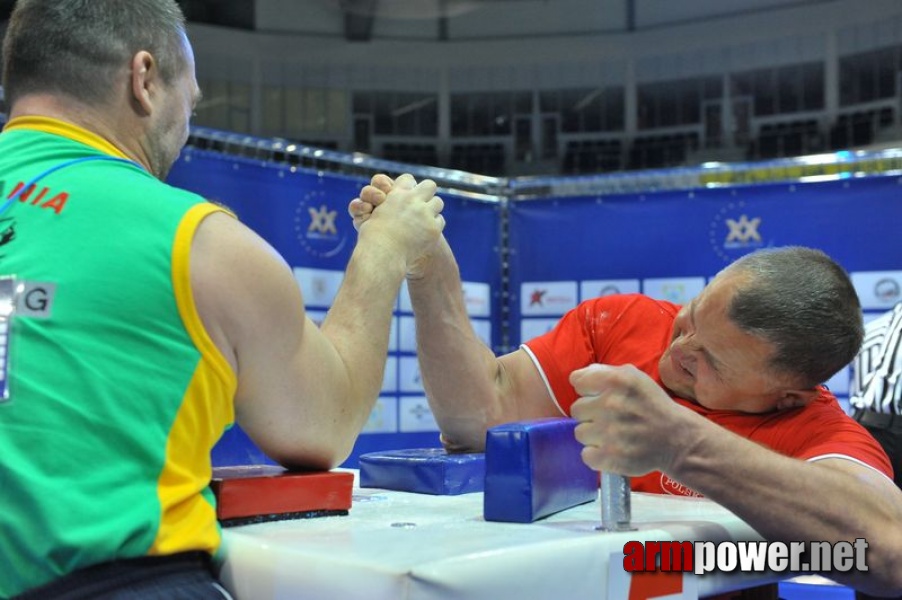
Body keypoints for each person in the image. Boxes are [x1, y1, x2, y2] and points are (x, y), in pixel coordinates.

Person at [0, 1, 444, 598]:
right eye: (192, 98)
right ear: (145, 79)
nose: (187, 122)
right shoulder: (198, 241)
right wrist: (385, 249)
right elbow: (324, 425)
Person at [350, 174, 902, 597]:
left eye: (710, 360)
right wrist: (430, 269)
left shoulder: (817, 431)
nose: (676, 350)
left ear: (787, 396)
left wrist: (681, 444)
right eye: (690, 318)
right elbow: (478, 417)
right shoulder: (624, 323)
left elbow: (887, 556)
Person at [850, 302, 902, 600]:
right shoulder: (874, 329)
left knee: (873, 536)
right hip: (873, 432)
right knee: (872, 538)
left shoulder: (875, 328)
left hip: (868, 428)